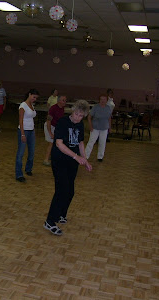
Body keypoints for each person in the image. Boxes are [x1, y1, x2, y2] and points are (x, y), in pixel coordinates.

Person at [44, 100, 92, 235]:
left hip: (72, 162)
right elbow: (59, 144)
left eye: (81, 116)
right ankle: (49, 221)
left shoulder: (80, 125)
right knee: (61, 191)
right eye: (76, 114)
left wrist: (85, 160)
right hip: (60, 160)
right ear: (73, 111)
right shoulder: (63, 122)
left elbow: (81, 142)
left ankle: (60, 214)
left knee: (70, 191)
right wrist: (76, 157)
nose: (77, 118)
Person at [15, 89, 39, 182]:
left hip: (31, 130)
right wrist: (22, 134)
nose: (34, 99)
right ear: (29, 94)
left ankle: (28, 169)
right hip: (24, 131)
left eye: (36, 98)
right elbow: (20, 120)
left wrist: (33, 131)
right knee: (20, 153)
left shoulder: (32, 105)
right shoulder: (23, 105)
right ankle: (19, 174)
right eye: (33, 97)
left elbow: (31, 119)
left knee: (32, 151)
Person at [85, 95, 112, 162]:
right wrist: (90, 126)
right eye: (101, 99)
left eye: (104, 99)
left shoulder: (108, 108)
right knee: (91, 142)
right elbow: (89, 117)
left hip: (104, 128)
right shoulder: (95, 107)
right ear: (99, 100)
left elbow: (109, 118)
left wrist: (110, 127)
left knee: (102, 143)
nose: (102, 101)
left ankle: (100, 157)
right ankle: (85, 156)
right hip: (95, 128)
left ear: (106, 100)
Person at [43, 95, 67, 166]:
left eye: (65, 100)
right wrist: (50, 133)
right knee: (51, 143)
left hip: (56, 127)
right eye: (63, 100)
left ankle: (51, 156)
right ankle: (46, 159)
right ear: (59, 101)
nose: (65, 102)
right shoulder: (53, 108)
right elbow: (48, 121)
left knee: (55, 143)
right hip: (49, 126)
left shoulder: (62, 108)